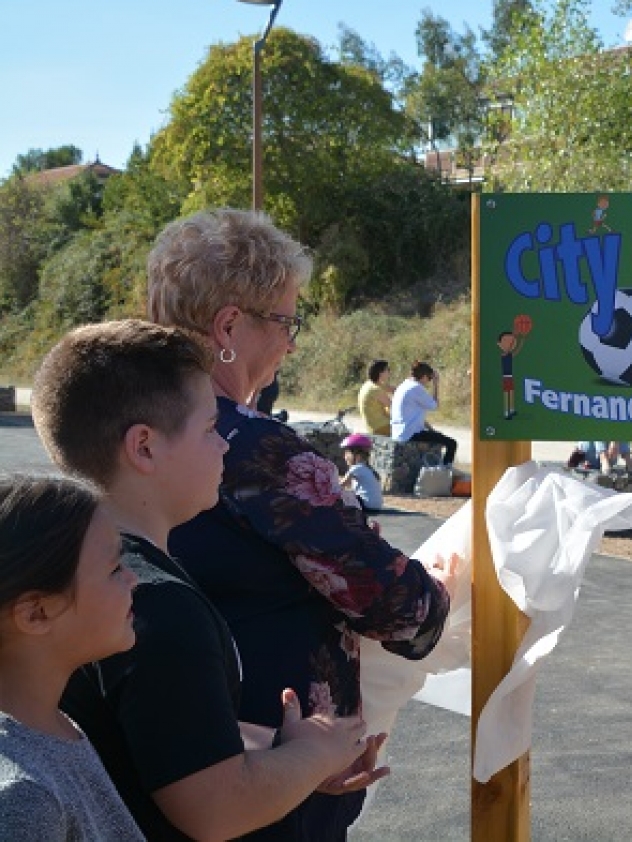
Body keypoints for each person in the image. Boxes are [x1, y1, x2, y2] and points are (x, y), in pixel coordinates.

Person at [144, 208, 452, 839]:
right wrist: (441, 589)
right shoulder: (256, 447)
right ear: (229, 325)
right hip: (269, 781)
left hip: (172, 759)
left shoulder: (132, 429)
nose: (291, 342)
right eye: (288, 321)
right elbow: (400, 605)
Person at [30, 319, 376, 840]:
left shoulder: (82, 574)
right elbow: (216, 806)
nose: (222, 448)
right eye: (211, 429)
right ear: (144, 447)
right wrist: (315, 752)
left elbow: (156, 742)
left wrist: (286, 762)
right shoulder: (157, 603)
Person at [0, 474, 145, 841]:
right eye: (114, 569)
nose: (134, 580)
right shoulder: (25, 800)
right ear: (36, 614)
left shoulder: (54, 727)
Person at [391, 362, 458, 466]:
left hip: (399, 432)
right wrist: (436, 384)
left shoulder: (403, 385)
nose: (429, 382)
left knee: (437, 436)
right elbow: (434, 406)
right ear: (424, 377)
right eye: (429, 379)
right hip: (410, 434)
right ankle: (445, 471)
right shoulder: (416, 388)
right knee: (451, 443)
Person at [339, 433, 383, 512]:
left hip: (365, 505)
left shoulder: (356, 468)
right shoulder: (368, 469)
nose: (344, 457)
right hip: (376, 506)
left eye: (347, 453)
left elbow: (341, 485)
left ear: (357, 455)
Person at [358, 360, 393, 437]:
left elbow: (392, 389)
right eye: (388, 369)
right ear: (380, 373)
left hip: (374, 426)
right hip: (381, 427)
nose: (389, 372)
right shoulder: (375, 390)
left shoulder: (369, 384)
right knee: (412, 430)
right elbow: (394, 407)